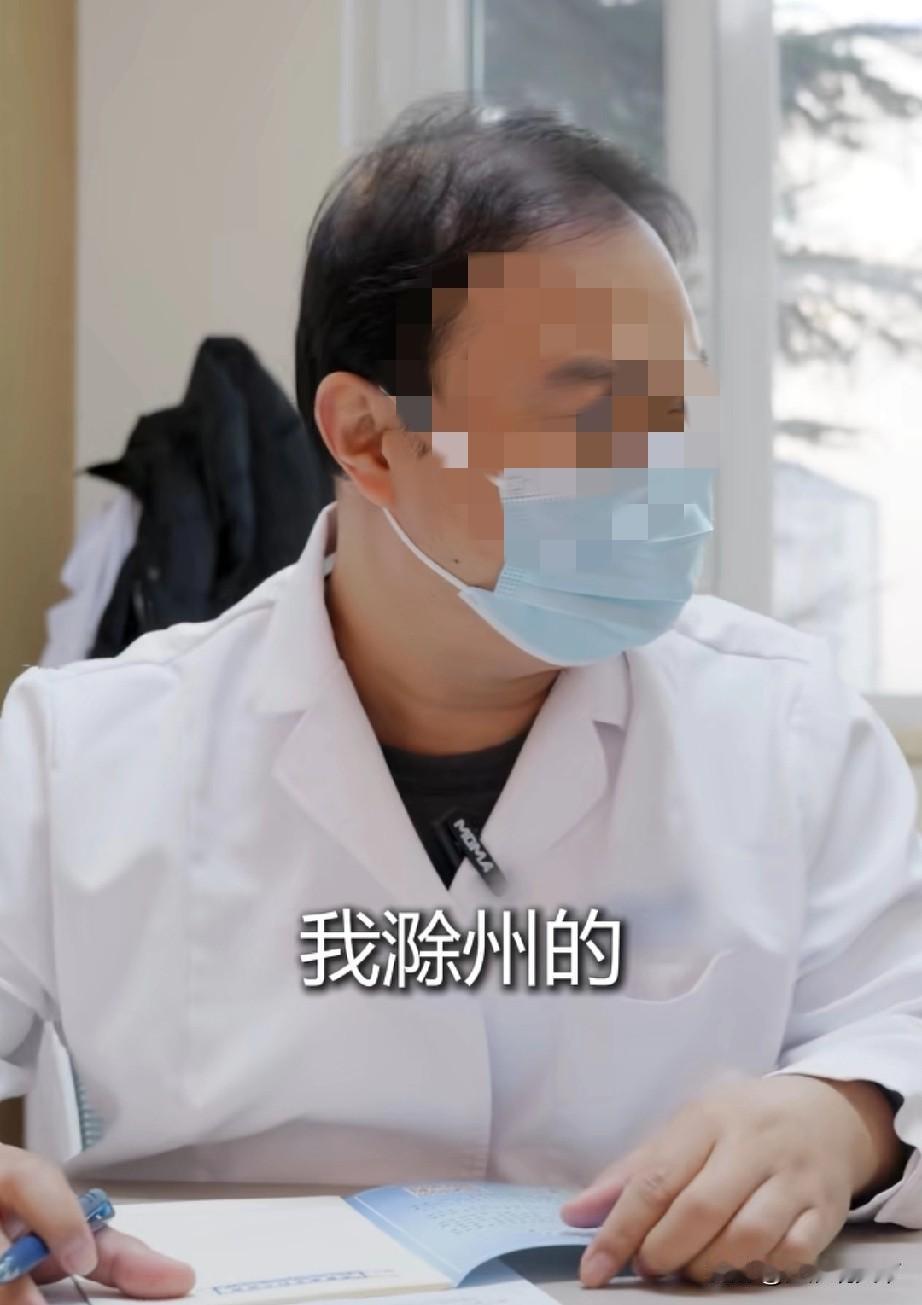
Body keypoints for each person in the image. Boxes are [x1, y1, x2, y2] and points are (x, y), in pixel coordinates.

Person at [1, 99, 921, 1299]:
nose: (656, 461)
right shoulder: (76, 755)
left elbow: (899, 1023)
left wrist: (839, 1119)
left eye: (675, 404)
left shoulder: (788, 729)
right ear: (369, 435)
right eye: (591, 406)